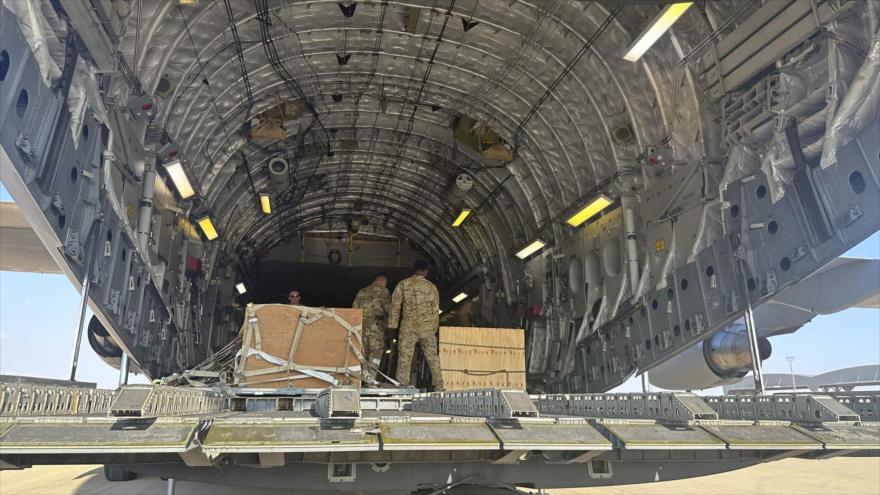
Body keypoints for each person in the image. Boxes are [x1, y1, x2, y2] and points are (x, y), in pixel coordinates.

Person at [388, 260, 445, 391]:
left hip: (408, 327)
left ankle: (402, 387)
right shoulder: (431, 287)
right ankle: (439, 386)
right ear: (426, 271)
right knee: (433, 358)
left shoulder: (403, 284)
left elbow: (395, 306)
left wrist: (393, 327)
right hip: (426, 328)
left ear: (414, 269)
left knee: (405, 357)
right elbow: (435, 310)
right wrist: (433, 329)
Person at [352, 274, 391, 379]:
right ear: (383, 281)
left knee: (362, 355)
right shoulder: (383, 291)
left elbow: (354, 311)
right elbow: (389, 310)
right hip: (376, 329)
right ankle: (370, 380)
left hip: (362, 328)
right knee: (375, 355)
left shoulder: (361, 292)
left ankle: (361, 379)